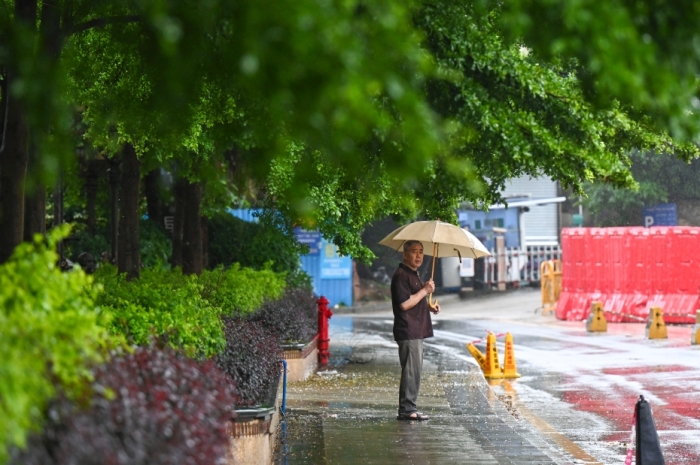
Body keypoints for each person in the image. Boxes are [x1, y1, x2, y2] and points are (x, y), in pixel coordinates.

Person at [391, 240, 440, 421]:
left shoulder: (413, 275)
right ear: (405, 254)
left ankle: (410, 407)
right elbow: (404, 304)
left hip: (416, 330)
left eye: (421, 251)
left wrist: (429, 306)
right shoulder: (401, 275)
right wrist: (425, 290)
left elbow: (415, 302)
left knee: (415, 371)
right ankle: (406, 410)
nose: (418, 255)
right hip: (408, 330)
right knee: (411, 371)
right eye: (414, 251)